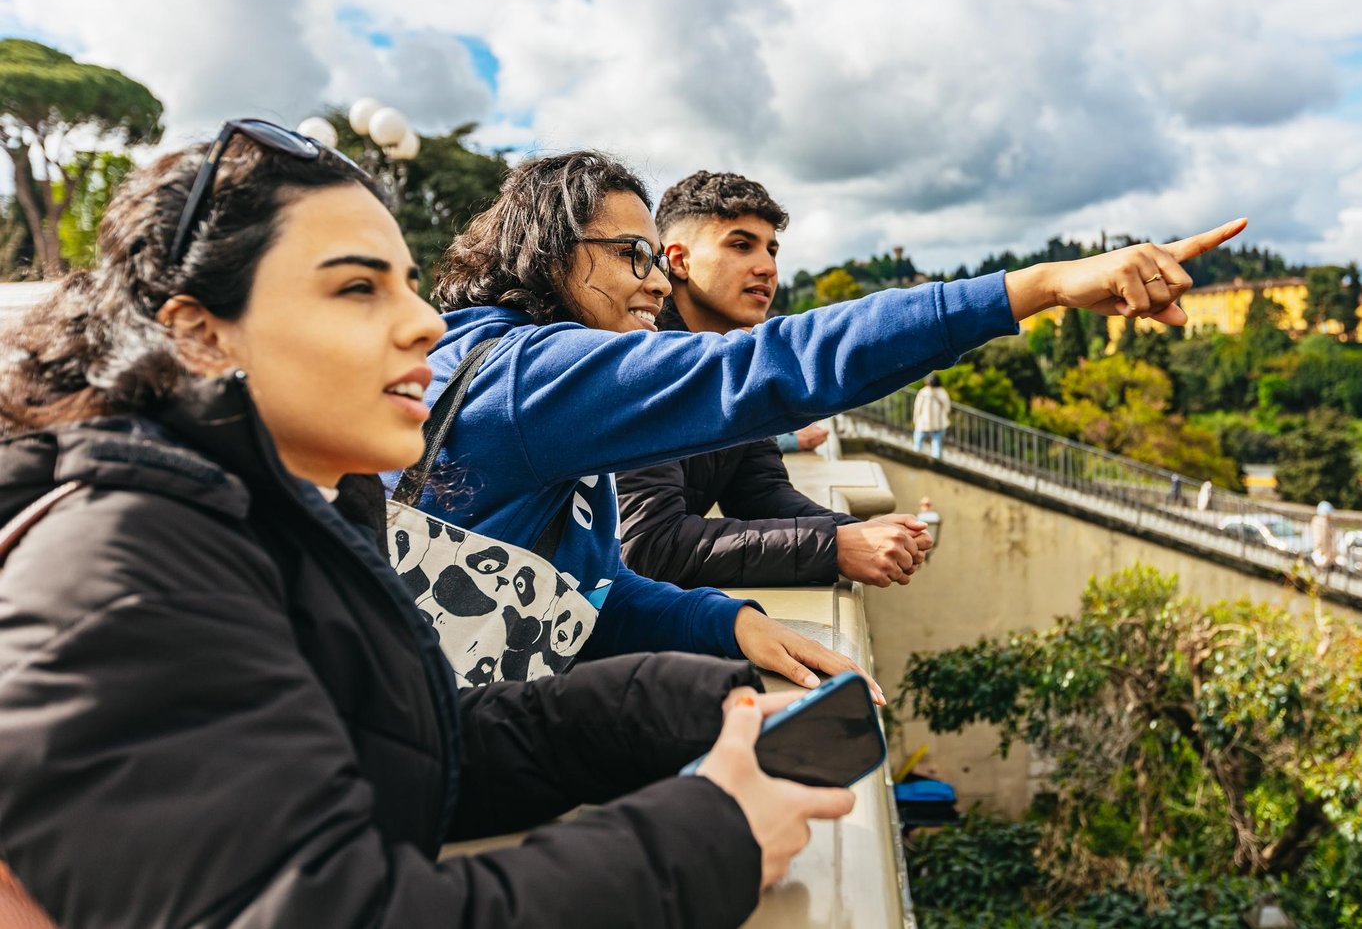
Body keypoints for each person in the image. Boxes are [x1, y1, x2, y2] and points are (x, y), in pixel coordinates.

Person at [0, 122, 852, 928]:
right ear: (201, 335)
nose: (425, 324)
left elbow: (405, 757)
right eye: (358, 288)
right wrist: (714, 837)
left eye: (408, 283)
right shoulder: (119, 575)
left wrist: (675, 702)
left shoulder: (296, 513)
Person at [411, 149, 1242, 695]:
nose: (656, 284)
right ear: (553, 250)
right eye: (634, 255)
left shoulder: (518, 368)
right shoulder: (534, 374)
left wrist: (727, 621)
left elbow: (580, 588)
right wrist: (1038, 287)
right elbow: (778, 370)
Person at [617, 169, 934, 590]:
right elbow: (647, 545)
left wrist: (859, 532)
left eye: (772, 250)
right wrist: (835, 545)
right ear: (678, 260)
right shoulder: (643, 362)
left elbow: (759, 493)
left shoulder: (739, 361)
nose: (766, 267)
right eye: (741, 245)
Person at [912, 374, 952, 459]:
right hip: (939, 422)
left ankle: (915, 457)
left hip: (923, 422)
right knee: (936, 444)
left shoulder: (923, 392)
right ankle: (935, 462)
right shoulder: (942, 392)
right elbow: (947, 407)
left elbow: (917, 408)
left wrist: (915, 418)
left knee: (918, 442)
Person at [1312, 500, 1337, 568]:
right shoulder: (1323, 522)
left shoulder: (1316, 520)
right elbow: (1322, 539)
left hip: (1320, 550)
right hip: (1323, 552)